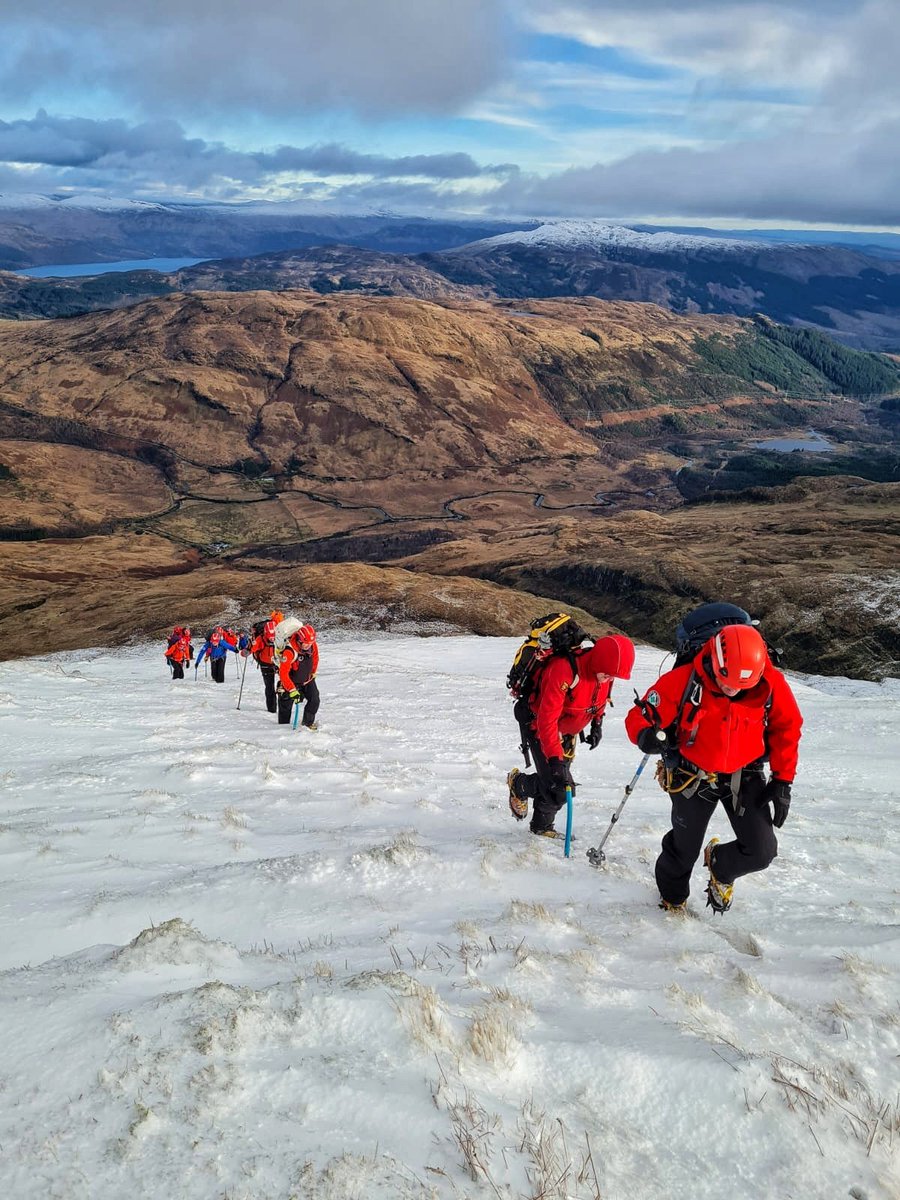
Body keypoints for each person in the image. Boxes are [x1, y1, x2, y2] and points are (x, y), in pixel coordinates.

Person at [625, 623, 803, 913]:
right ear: (715, 663)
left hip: (745, 773)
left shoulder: (770, 681)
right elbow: (640, 715)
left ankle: (721, 865)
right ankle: (672, 899)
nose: (733, 690)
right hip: (691, 774)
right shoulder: (684, 680)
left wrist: (783, 780)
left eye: (742, 686)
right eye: (726, 682)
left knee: (762, 851)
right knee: (684, 849)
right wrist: (645, 734)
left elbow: (787, 726)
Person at [507, 634, 636, 839]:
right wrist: (555, 760)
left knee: (557, 785)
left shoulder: (603, 672)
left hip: (567, 732)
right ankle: (520, 784)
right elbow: (546, 721)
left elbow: (600, 698)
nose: (609, 679)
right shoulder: (564, 670)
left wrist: (597, 723)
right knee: (559, 787)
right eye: (608, 674)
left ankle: (542, 827)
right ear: (598, 661)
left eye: (614, 676)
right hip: (540, 727)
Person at [277, 623, 320, 728]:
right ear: (299, 640)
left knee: (314, 700)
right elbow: (283, 673)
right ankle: (282, 729)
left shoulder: (312, 645)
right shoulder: (289, 651)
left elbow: (315, 658)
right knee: (286, 706)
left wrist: (313, 672)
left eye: (310, 643)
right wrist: (291, 689)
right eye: (305, 643)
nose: (308, 645)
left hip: (307, 680)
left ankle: (308, 723)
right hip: (291, 682)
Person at [250, 610, 284, 713]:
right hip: (265, 665)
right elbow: (254, 647)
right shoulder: (261, 638)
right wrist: (247, 650)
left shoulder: (281, 637)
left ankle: (282, 708)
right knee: (269, 687)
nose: (271, 641)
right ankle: (272, 709)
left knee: (282, 685)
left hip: (278, 664)